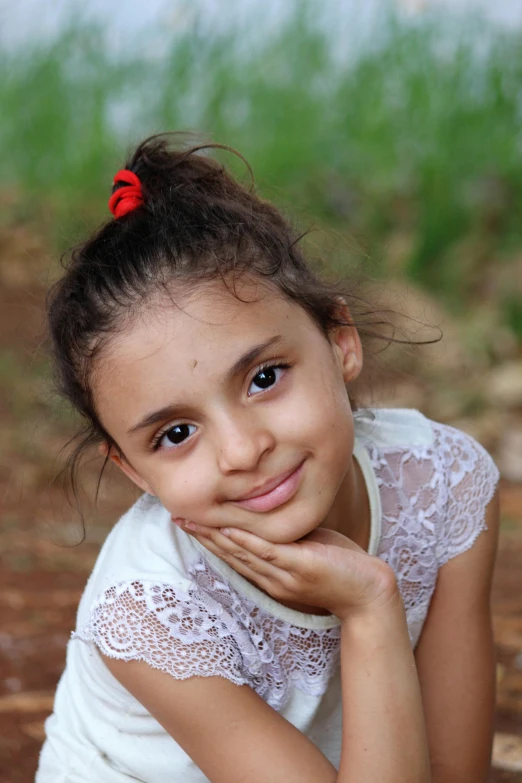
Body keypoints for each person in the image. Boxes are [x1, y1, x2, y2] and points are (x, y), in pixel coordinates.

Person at [36, 134, 500, 783]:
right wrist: (369, 609)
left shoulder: (442, 483)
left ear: (341, 343)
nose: (244, 449)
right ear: (135, 471)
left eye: (263, 377)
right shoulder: (150, 608)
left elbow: (455, 770)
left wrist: (373, 603)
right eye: (175, 434)